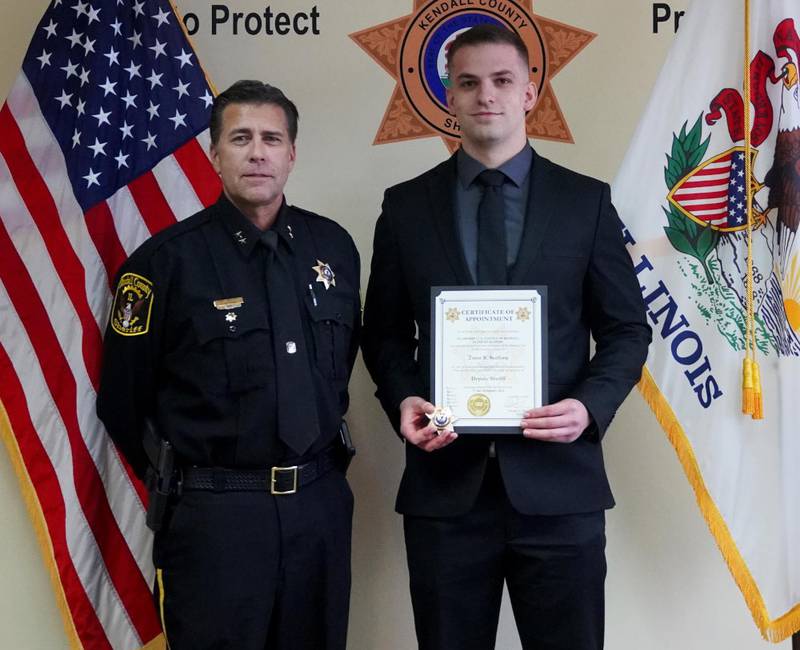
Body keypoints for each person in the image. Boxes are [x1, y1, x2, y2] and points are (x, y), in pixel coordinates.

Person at [361, 24, 651, 650]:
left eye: (501, 81)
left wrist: (590, 407)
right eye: (468, 83)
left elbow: (627, 329)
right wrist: (404, 398)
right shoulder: (406, 207)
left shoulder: (586, 203)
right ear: (449, 97)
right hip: (445, 496)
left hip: (560, 489)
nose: (484, 95)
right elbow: (383, 333)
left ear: (530, 92)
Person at [97, 80, 360, 650]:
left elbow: (338, 373)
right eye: (240, 138)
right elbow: (121, 401)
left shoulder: (333, 249)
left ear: (292, 153)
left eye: (272, 138)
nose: (257, 152)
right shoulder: (162, 265)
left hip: (319, 506)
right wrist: (200, 480)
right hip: (217, 518)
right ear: (214, 154)